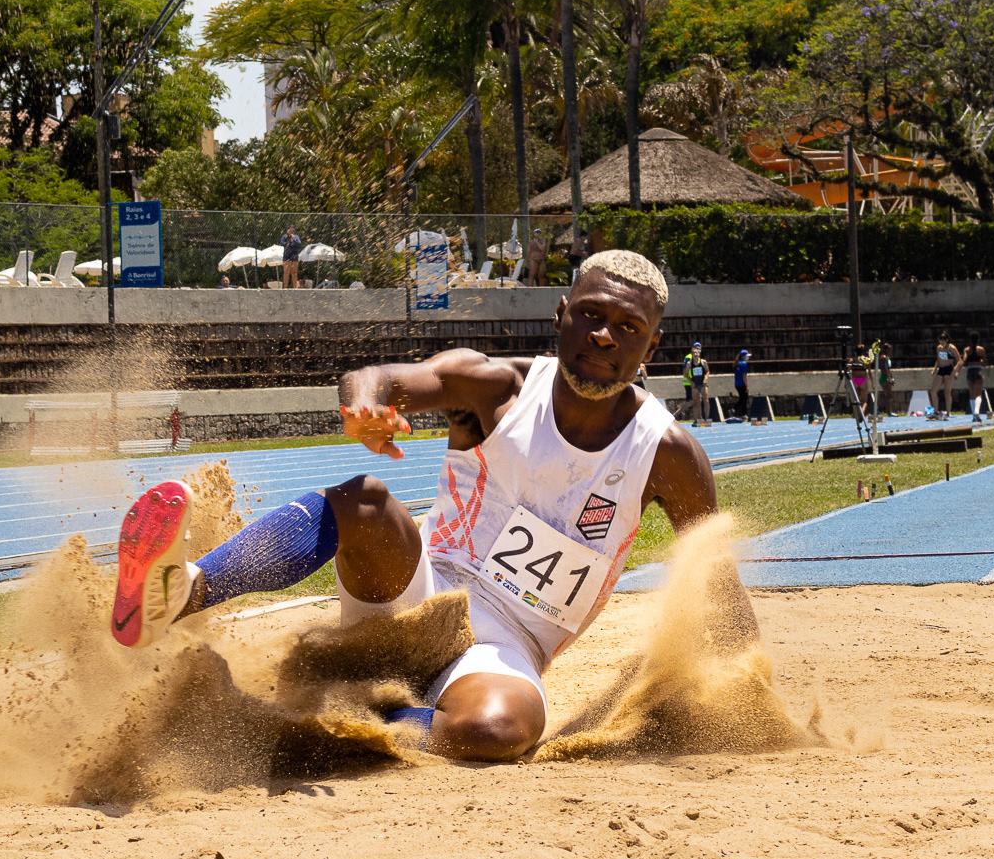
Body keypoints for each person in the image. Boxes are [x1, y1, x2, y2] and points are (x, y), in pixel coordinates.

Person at [103, 251, 757, 761]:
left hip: (507, 646)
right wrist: (365, 404)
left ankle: (334, 716)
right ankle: (181, 590)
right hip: (420, 592)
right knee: (366, 502)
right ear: (561, 314)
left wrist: (747, 695)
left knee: (500, 731)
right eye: (591, 314)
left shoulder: (668, 455)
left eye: (628, 327)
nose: (605, 335)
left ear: (653, 346)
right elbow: (382, 378)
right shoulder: (494, 388)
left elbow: (718, 591)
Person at [929, 332, 958, 419]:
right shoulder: (939, 348)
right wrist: (934, 369)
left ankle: (948, 413)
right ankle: (936, 411)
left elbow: (959, 360)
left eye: (943, 342)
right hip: (941, 369)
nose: (941, 344)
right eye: (940, 342)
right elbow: (938, 360)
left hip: (949, 369)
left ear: (947, 340)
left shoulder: (951, 348)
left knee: (947, 391)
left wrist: (956, 371)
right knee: (933, 390)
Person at [686, 342, 711, 427]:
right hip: (695, 384)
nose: (695, 355)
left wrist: (705, 379)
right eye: (694, 353)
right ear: (692, 354)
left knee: (706, 400)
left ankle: (707, 418)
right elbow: (685, 373)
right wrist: (691, 381)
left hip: (703, 384)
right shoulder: (689, 363)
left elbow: (707, 371)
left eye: (697, 353)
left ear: (699, 353)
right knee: (696, 402)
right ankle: (697, 419)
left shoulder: (703, 362)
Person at [961, 336, 988, 416]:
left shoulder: (967, 350)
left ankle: (973, 412)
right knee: (979, 392)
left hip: (970, 370)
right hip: (978, 369)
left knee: (971, 392)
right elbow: (985, 362)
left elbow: (964, 360)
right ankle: (977, 411)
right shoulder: (981, 349)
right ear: (978, 340)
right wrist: (981, 361)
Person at [280, 225, 303, 289]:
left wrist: (293, 240)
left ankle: (295, 287)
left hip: (294, 256)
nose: (292, 231)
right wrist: (290, 241)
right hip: (287, 256)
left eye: (293, 230)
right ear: (288, 230)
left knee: (294, 272)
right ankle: (285, 287)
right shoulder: (284, 236)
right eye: (290, 230)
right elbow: (282, 243)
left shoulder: (296, 236)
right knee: (286, 272)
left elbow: (299, 243)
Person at [732, 349, 751, 421]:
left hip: (737, 384)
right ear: (743, 356)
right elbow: (744, 376)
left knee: (742, 399)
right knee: (744, 399)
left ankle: (742, 413)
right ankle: (738, 410)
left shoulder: (737, 363)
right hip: (742, 384)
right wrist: (747, 386)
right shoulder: (744, 364)